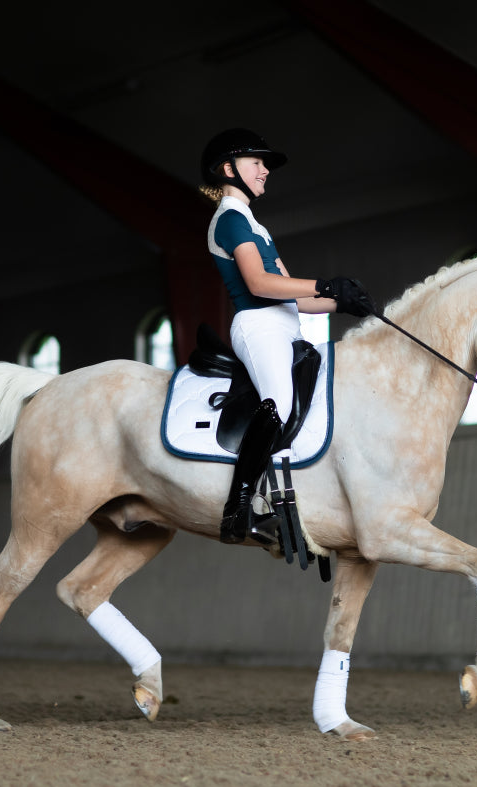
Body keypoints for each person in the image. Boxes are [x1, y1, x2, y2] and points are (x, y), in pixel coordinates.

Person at [199, 127, 377, 544]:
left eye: (265, 165)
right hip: (258, 325)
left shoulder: (253, 224)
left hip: (284, 325)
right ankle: (238, 509)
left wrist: (341, 301)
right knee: (277, 401)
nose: (264, 171)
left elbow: (294, 295)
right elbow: (260, 284)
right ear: (227, 169)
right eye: (256, 163)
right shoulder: (228, 217)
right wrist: (323, 283)